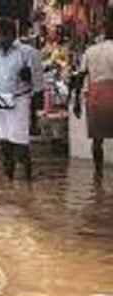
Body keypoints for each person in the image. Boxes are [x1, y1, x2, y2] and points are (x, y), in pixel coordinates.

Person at [0, 18, 37, 181]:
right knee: (3, 142)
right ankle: (9, 182)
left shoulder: (27, 52)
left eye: (0, 35)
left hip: (19, 100)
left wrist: (29, 78)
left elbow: (37, 81)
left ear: (10, 35)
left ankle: (27, 181)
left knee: (20, 141)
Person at [74, 10, 113, 181]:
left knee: (97, 140)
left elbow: (80, 76)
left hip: (95, 96)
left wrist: (76, 100)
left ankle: (98, 176)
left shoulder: (91, 50)